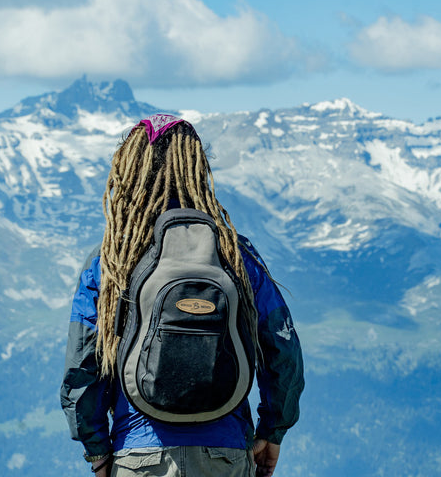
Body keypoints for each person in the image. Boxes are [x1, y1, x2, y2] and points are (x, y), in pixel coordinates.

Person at [60, 114, 304, 477]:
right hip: (225, 451)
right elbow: (282, 349)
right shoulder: (236, 256)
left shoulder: (110, 262)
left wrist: (97, 451)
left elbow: (83, 365)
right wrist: (273, 430)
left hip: (139, 455)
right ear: (198, 169)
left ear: (129, 174)